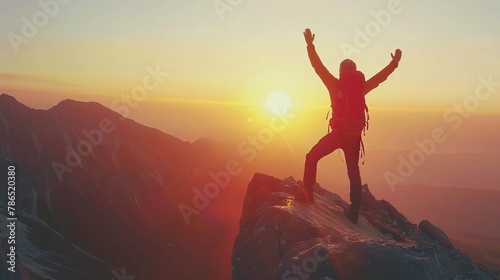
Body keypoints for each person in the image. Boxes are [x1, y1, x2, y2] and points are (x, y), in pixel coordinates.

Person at [297, 28, 402, 224]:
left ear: (341, 72)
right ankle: (354, 211)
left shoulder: (334, 84)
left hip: (337, 134)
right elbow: (380, 78)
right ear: (355, 72)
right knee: (353, 171)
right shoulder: (361, 87)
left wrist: (310, 45)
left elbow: (317, 67)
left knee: (311, 157)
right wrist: (394, 64)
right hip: (354, 136)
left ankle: (307, 195)